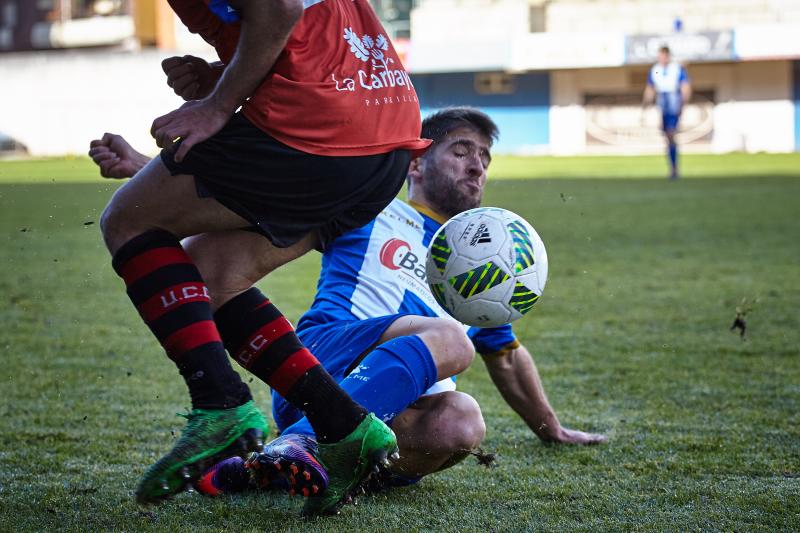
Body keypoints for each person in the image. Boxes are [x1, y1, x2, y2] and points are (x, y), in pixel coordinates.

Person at [94, 0, 429, 514]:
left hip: (320, 130)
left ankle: (220, 405)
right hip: (385, 143)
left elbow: (278, 8)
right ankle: (345, 426)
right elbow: (305, 30)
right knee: (210, 278)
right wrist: (225, 74)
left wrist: (217, 105)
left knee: (129, 220)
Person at [181, 107, 608, 499]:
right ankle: (305, 438)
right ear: (417, 162)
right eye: (461, 151)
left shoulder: (487, 272)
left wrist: (553, 429)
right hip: (318, 368)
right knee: (451, 338)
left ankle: (280, 473)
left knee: (463, 421)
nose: (477, 165)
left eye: (484, 158)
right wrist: (158, 175)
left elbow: (508, 358)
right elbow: (267, 209)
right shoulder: (369, 208)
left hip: (392, 410)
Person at [642, 45, 692, 179]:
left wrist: (683, 105)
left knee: (670, 134)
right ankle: (672, 167)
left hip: (673, 102)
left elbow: (685, 87)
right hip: (662, 103)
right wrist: (645, 106)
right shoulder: (656, 70)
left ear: (668, 56)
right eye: (660, 56)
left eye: (664, 56)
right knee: (667, 137)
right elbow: (651, 88)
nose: (662, 58)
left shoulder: (676, 69)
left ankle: (674, 169)